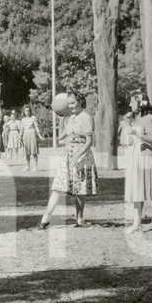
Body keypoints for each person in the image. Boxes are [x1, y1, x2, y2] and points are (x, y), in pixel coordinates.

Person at [37, 92, 98, 228]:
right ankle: (45, 219)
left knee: (79, 190)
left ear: (80, 101)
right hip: (67, 155)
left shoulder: (86, 117)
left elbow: (89, 141)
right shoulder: (70, 118)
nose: (70, 106)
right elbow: (60, 137)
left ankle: (79, 220)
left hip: (81, 155)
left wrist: (78, 156)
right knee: (57, 186)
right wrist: (62, 119)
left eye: (73, 103)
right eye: (68, 103)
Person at [121, 93, 152, 234]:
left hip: (147, 157)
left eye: (132, 102)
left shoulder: (149, 118)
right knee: (137, 189)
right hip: (136, 155)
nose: (130, 105)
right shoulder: (138, 118)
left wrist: (136, 133)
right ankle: (137, 222)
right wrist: (128, 122)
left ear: (141, 103)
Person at [19, 105, 43, 172]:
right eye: (26, 111)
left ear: (30, 111)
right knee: (27, 152)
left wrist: (39, 135)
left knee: (34, 151)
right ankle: (28, 166)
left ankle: (35, 166)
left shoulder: (33, 118)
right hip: (25, 135)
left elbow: (36, 127)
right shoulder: (23, 119)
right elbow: (21, 129)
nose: (27, 112)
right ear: (24, 112)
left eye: (28, 111)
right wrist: (19, 136)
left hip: (32, 134)